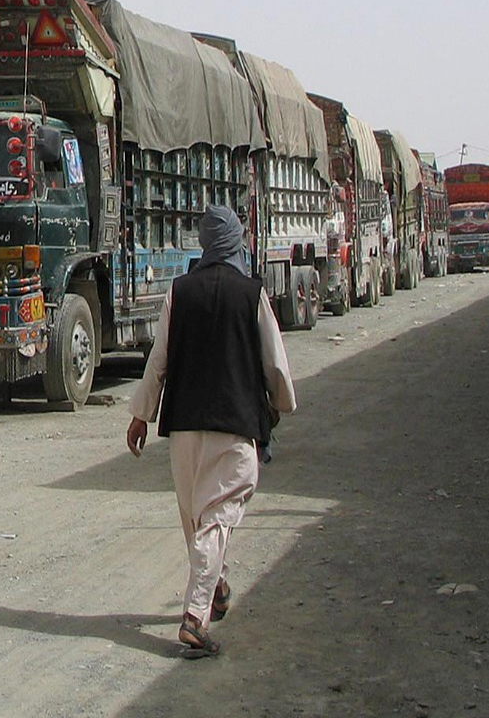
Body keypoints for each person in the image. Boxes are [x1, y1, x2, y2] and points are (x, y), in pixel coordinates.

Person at [126, 205, 297, 658]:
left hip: (183, 428)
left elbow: (157, 360)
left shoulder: (179, 293)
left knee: (199, 519)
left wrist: (141, 414)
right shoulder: (251, 293)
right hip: (234, 424)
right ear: (237, 241)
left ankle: (215, 586)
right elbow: (273, 362)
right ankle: (194, 618)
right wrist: (279, 405)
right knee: (218, 516)